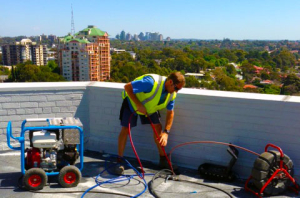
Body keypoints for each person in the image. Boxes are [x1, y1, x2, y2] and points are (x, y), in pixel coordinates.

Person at [115, 72, 185, 175]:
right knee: (126, 129)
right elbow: (127, 87)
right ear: (170, 82)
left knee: (158, 128)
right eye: (176, 88)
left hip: (150, 109)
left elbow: (170, 112)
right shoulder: (151, 82)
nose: (176, 91)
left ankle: (162, 160)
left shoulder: (171, 95)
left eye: (179, 90)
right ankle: (119, 161)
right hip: (132, 104)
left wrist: (166, 132)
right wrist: (138, 105)